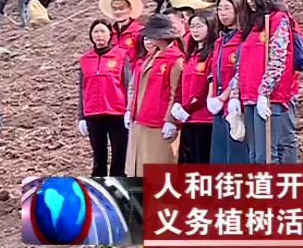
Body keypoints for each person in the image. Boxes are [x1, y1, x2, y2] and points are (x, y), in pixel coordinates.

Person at [232, 0, 296, 164]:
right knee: (253, 155)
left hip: (268, 97)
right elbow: (242, 63)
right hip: (248, 95)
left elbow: (278, 59)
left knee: (266, 155)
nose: (249, 2)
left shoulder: (278, 20)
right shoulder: (252, 26)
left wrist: (264, 91)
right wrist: (235, 94)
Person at [124, 14, 186, 177]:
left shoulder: (175, 59)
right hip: (141, 119)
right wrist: (130, 109)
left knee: (157, 170)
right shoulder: (150, 56)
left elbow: (176, 92)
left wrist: (171, 120)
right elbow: (136, 87)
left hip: (158, 123)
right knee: (138, 170)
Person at [78, 19, 131, 176]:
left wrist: (129, 110)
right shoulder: (85, 59)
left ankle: (117, 185)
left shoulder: (121, 55)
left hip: (116, 112)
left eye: (103, 31)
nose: (99, 35)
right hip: (93, 113)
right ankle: (98, 185)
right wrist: (81, 116)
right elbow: (82, 89)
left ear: (110, 35)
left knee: (119, 153)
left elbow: (128, 84)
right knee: (98, 155)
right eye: (96, 32)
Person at [206, 0, 248, 164]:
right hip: (218, 102)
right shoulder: (220, 40)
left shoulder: (242, 38)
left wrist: (225, 97)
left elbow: (240, 71)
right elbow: (213, 70)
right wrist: (211, 96)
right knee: (219, 153)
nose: (222, 13)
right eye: (220, 9)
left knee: (236, 153)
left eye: (227, 8)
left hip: (234, 101)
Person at [171, 11, 218, 163]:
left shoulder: (213, 54)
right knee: (190, 160)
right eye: (192, 27)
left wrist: (189, 107)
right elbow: (182, 83)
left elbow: (206, 87)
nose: (195, 30)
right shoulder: (190, 55)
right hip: (188, 118)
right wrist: (178, 103)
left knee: (203, 160)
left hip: (204, 118)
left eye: (199, 26)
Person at [98, 0, 144, 65]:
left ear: (130, 9)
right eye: (114, 9)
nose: (118, 12)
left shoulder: (139, 32)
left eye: (121, 8)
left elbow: (142, 57)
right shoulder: (108, 32)